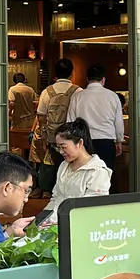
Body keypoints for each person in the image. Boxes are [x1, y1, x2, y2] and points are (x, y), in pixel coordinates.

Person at [43, 118, 111, 215]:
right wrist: (42, 218)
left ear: (80, 143)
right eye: (58, 147)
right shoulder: (64, 165)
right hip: (57, 219)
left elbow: (93, 207)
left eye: (64, 147)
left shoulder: (97, 171)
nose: (61, 152)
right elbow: (56, 198)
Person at [66, 64, 124, 171]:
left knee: (84, 175)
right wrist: (119, 140)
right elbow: (118, 122)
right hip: (106, 142)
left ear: (87, 79)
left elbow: (70, 122)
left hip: (84, 143)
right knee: (105, 175)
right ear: (103, 79)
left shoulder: (77, 97)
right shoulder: (112, 96)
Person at [36, 58, 81, 192]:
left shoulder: (47, 92)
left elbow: (41, 117)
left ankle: (53, 191)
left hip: (53, 137)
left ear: (55, 73)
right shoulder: (78, 91)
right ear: (72, 73)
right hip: (72, 137)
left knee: (54, 165)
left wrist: (44, 135)